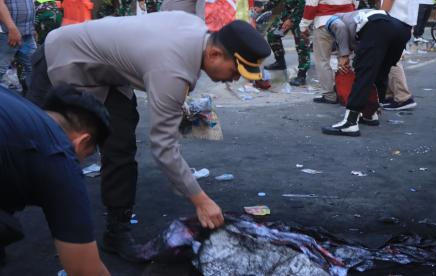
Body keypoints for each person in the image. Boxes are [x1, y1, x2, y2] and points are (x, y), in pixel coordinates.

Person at [26, 13, 271, 262]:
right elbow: (164, 147)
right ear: (215, 54)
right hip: (63, 59)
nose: (236, 78)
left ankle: (117, 230)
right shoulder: (172, 71)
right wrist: (202, 201)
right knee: (39, 147)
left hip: (108, 76)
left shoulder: (198, 29)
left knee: (120, 145)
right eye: (236, 70)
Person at [0, 85, 111, 275]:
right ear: (83, 141)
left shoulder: (15, 106)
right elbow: (84, 270)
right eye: (87, 154)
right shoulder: (57, 151)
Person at [321, 1, 418, 136]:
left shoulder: (332, 20)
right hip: (401, 30)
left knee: (364, 74)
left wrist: (343, 55)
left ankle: (350, 123)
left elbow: (339, 27)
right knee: (380, 74)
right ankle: (371, 114)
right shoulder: (357, 17)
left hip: (378, 26)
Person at [299, 0, 356, 103]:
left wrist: (303, 26)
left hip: (324, 22)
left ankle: (329, 95)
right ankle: (346, 92)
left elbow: (311, 6)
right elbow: (355, 3)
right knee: (345, 56)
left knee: (322, 60)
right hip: (346, 20)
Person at [256, 0, 311, 86]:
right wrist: (262, 9)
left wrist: (292, 20)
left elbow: (304, 4)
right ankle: (280, 62)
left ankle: (301, 75)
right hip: (287, 14)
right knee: (272, 34)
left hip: (302, 15)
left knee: (301, 44)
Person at [0, 0, 37, 92]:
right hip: (7, 34)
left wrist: (31, 28)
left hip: (25, 35)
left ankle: (32, 101)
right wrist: (11, 28)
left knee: (34, 65)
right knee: (1, 68)